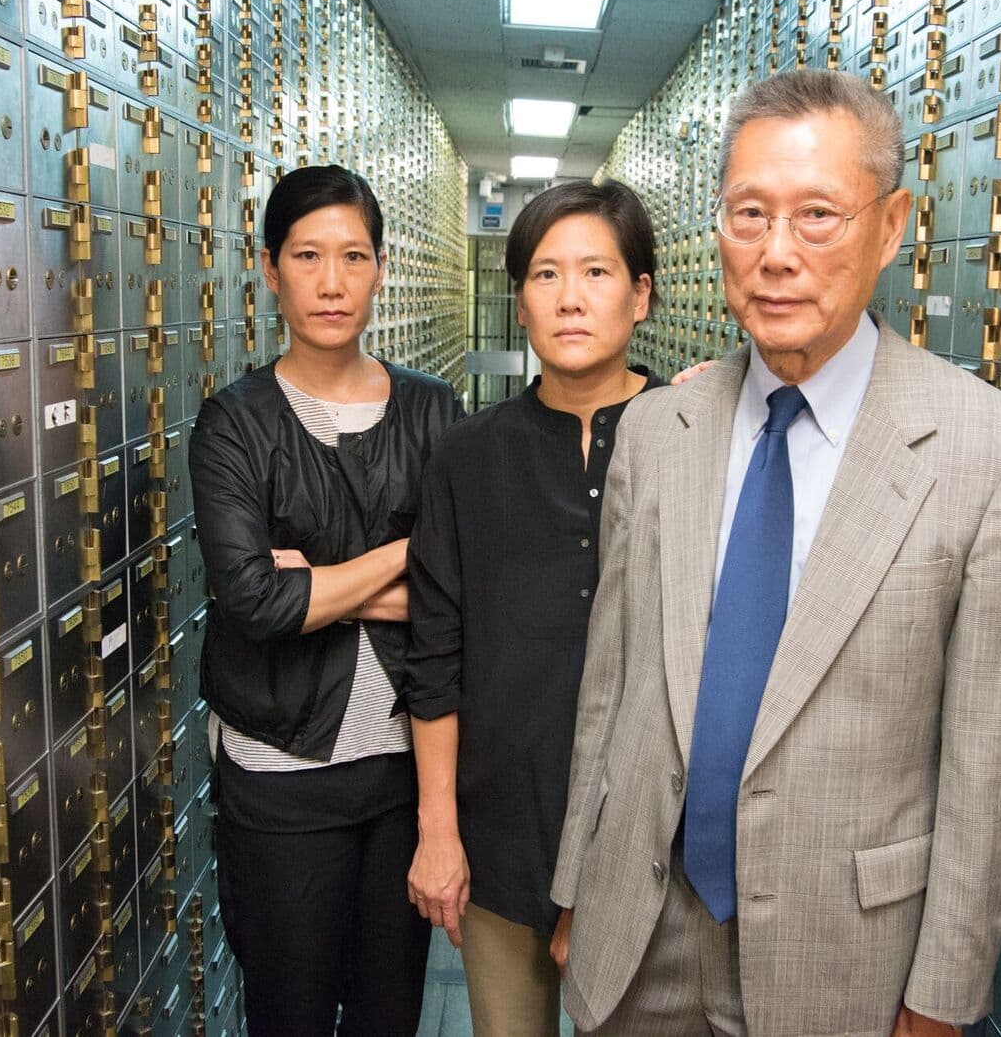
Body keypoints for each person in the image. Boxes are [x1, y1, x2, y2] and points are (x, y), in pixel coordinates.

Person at [549, 69, 1001, 1036]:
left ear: (892, 224)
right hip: (637, 936)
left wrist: (942, 995)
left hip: (844, 961)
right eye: (749, 215)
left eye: (818, 214)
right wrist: (576, 883)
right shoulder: (658, 430)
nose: (777, 254)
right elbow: (607, 689)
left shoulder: (984, 449)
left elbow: (985, 757)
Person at [188, 164, 461, 1037]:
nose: (332, 282)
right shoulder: (234, 422)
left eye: (353, 256)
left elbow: (460, 597)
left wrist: (318, 584)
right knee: (291, 1015)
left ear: (382, 266)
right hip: (279, 780)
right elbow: (256, 603)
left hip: (400, 773)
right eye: (307, 255)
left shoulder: (433, 411)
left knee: (389, 1017)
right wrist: (404, 560)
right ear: (270, 269)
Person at [402, 180, 663, 1036]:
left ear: (642, 294)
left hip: (653, 850)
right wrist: (438, 835)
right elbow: (434, 656)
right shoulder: (467, 458)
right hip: (503, 836)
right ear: (519, 302)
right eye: (546, 275)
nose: (572, 297)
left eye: (596, 270)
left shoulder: (697, 440)